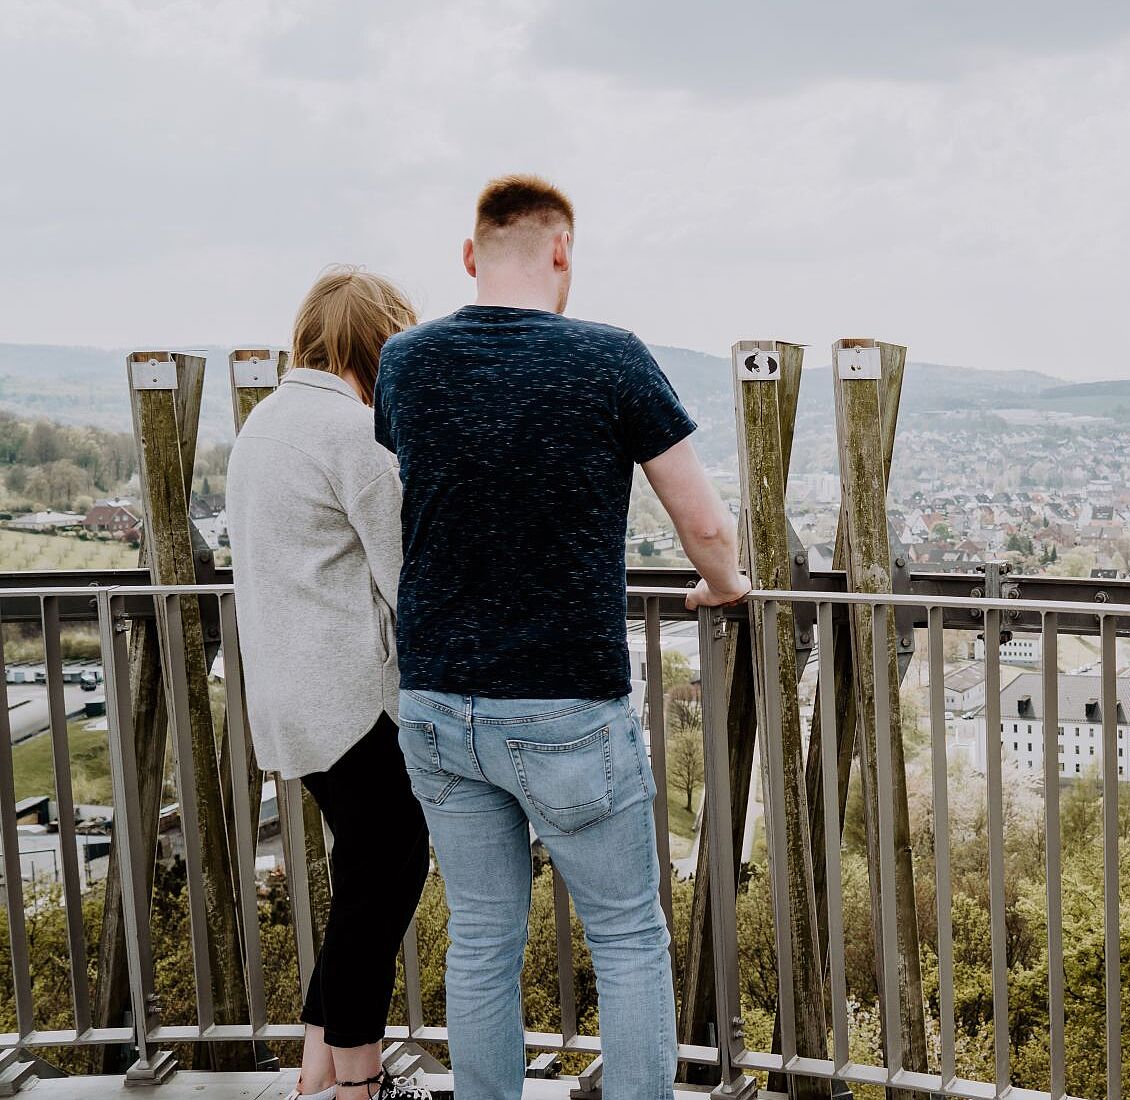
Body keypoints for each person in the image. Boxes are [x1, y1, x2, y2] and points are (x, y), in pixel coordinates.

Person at [375, 175, 750, 1100]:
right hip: (565, 704)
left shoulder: (406, 361)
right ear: (562, 253)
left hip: (433, 699)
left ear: (470, 256)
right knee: (625, 935)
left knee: (481, 936)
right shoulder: (611, 358)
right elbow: (703, 524)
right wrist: (726, 588)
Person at [227, 266, 433, 1100]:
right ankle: (360, 1084)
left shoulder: (266, 423)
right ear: (381, 342)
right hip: (352, 701)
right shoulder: (353, 433)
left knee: (363, 882)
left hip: (289, 699)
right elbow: (404, 574)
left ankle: (320, 1074)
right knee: (383, 885)